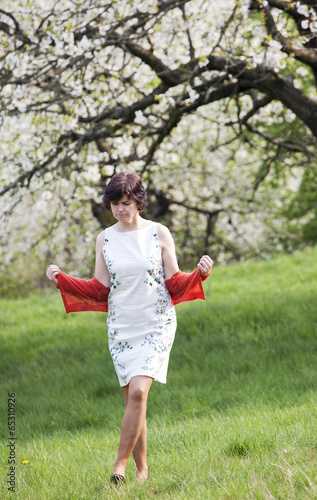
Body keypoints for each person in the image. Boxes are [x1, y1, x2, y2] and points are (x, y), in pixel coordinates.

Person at [46, 171, 213, 485]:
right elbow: (99, 289)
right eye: (114, 203)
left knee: (138, 392)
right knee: (134, 402)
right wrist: (63, 281)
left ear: (138, 202)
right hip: (121, 327)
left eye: (126, 202)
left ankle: (118, 468)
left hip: (156, 323)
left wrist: (198, 275)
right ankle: (142, 471)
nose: (120, 209)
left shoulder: (159, 233)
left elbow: (174, 280)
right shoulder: (105, 238)